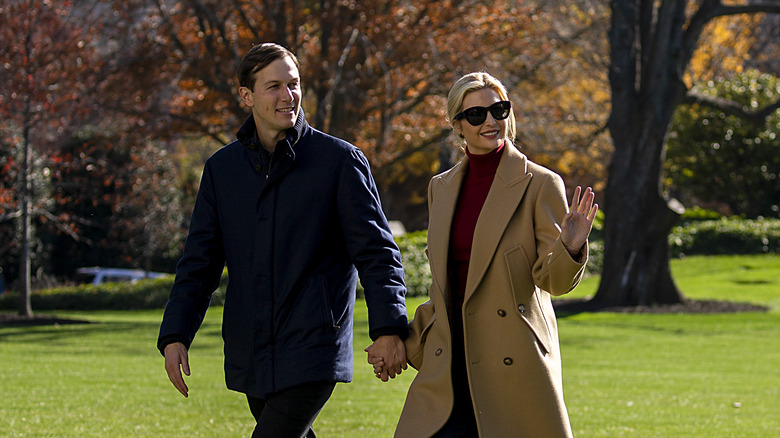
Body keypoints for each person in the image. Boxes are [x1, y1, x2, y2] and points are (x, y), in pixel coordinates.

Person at [158, 42, 409, 438]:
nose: (287, 96)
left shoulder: (339, 161)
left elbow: (378, 253)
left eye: (293, 84)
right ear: (246, 95)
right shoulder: (222, 171)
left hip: (314, 347)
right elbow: (199, 264)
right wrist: (175, 334)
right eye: (273, 86)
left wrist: (389, 328)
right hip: (250, 350)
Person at [367, 72, 597, 437]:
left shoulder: (541, 184)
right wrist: (398, 341)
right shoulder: (439, 188)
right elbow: (447, 288)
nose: (491, 121)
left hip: (512, 362)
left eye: (499, 110)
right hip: (449, 363)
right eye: (476, 115)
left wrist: (570, 247)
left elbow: (551, 282)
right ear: (457, 124)